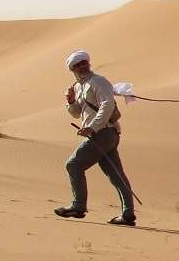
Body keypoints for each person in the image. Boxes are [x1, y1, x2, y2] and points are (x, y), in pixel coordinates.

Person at [54, 50, 137, 226]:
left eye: (84, 62)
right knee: (115, 174)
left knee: (73, 164)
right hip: (101, 134)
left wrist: (92, 127)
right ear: (72, 69)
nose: (82, 66)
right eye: (78, 65)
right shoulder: (78, 87)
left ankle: (78, 206)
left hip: (103, 133)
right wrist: (70, 102)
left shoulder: (98, 82)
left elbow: (107, 105)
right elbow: (77, 114)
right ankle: (128, 214)